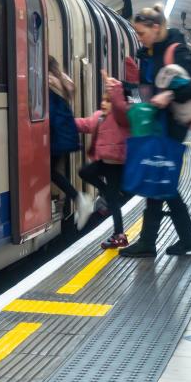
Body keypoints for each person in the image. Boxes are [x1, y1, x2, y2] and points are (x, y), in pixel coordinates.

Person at [121, 3, 191, 258]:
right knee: (160, 181)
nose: (139, 37)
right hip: (158, 123)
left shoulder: (176, 51)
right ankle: (180, 240)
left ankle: (150, 242)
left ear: (155, 27)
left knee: (161, 181)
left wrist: (170, 94)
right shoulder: (149, 53)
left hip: (173, 125)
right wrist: (123, 87)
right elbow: (148, 88)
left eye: (141, 33)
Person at [75, 75, 131, 249]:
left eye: (108, 101)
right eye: (103, 101)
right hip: (104, 162)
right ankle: (107, 193)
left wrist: (114, 89)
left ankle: (119, 234)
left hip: (117, 164)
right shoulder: (99, 117)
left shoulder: (121, 117)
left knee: (113, 200)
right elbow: (84, 124)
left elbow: (121, 109)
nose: (104, 104)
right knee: (84, 171)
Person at [48, 55, 94, 228]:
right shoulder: (61, 79)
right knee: (53, 171)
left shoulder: (48, 81)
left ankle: (79, 199)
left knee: (50, 172)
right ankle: (78, 200)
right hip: (65, 135)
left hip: (57, 135)